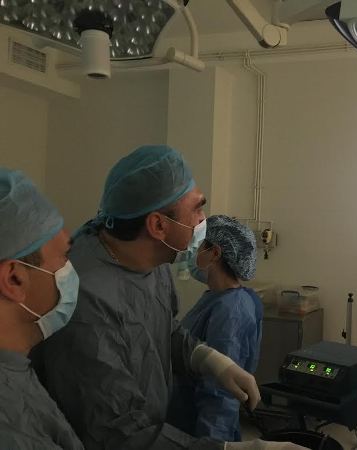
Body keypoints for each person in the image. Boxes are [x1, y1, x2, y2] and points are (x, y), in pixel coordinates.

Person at [37, 146, 302, 450]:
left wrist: (208, 359)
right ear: (158, 226)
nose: (203, 220)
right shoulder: (85, 300)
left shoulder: (154, 259)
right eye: (197, 209)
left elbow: (160, 326)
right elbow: (119, 435)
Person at [0, 168, 83, 449]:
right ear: (14, 279)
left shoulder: (14, 370)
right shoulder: (10, 429)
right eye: (64, 256)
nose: (71, 270)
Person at [169, 215, 263, 441]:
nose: (190, 250)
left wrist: (212, 442)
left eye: (197, 244)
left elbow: (221, 392)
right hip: (184, 420)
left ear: (214, 253)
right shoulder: (216, 297)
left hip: (202, 428)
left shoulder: (232, 309)